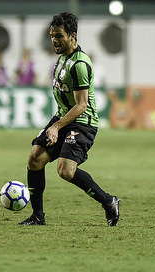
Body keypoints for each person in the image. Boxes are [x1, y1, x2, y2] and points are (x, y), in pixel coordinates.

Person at [20, 12, 121, 226]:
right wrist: (56, 122)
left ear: (72, 36)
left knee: (65, 170)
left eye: (59, 36)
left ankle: (109, 201)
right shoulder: (62, 59)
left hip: (83, 122)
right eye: (52, 36)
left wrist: (56, 126)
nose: (54, 40)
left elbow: (82, 105)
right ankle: (38, 216)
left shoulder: (80, 65)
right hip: (64, 117)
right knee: (35, 159)